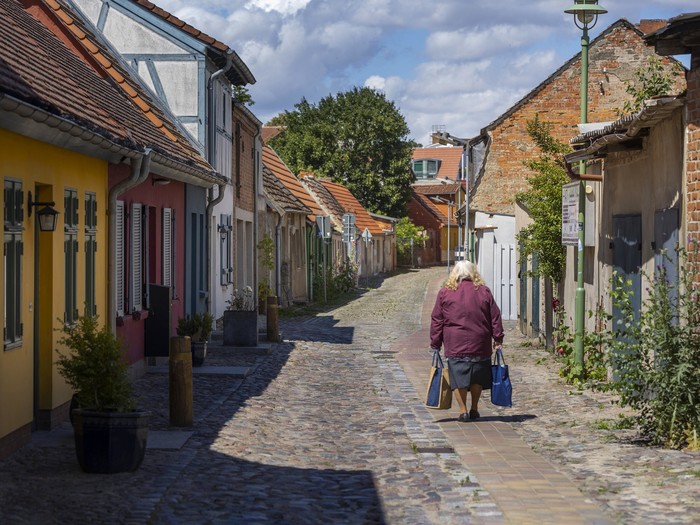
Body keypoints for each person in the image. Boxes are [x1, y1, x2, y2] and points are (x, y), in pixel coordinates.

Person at [429, 261, 504, 422]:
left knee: (458, 378)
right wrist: (498, 338)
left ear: (455, 274)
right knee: (477, 376)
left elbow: (437, 320)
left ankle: (463, 410)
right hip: (480, 341)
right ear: (473, 273)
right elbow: (495, 316)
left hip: (455, 343)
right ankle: (474, 408)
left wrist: (435, 343)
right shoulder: (484, 291)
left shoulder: (445, 293)